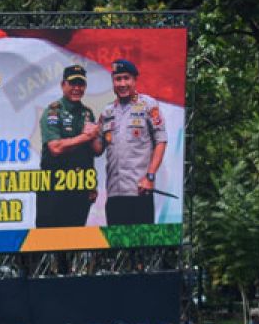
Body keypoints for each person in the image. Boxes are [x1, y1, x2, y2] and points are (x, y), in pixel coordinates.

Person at [98, 59, 168, 226]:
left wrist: (150, 176)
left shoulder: (148, 105)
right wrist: (88, 135)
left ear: (134, 80)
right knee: (116, 247)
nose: (122, 83)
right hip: (114, 194)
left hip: (139, 191)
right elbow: (98, 148)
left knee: (141, 247)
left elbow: (161, 140)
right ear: (113, 82)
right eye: (118, 79)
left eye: (126, 78)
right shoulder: (107, 111)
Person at [35, 65, 103, 228]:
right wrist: (85, 136)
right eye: (73, 83)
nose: (77, 88)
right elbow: (55, 148)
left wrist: (91, 184)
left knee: (75, 238)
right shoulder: (53, 111)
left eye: (81, 84)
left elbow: (94, 152)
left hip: (79, 186)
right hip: (54, 185)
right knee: (47, 239)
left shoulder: (87, 113)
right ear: (63, 84)